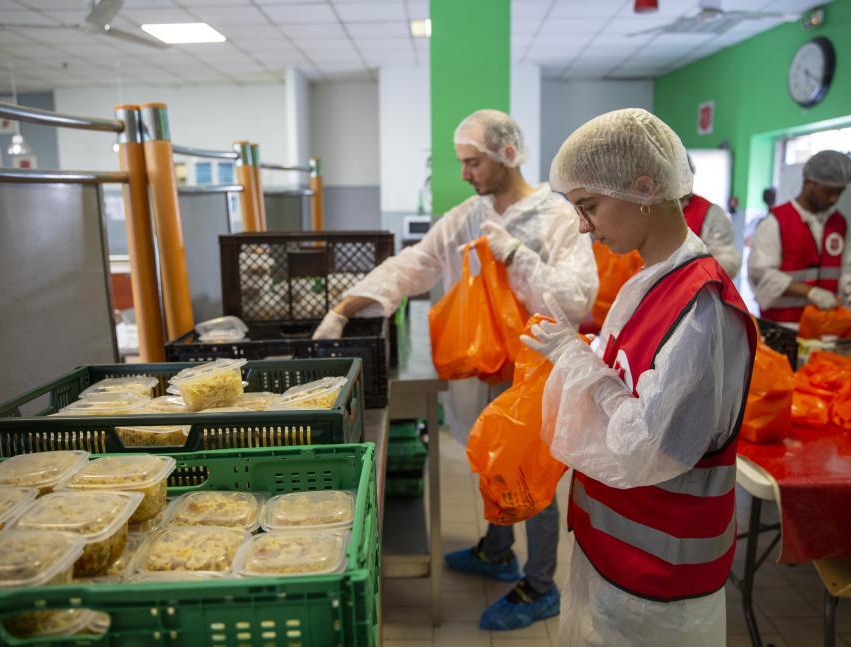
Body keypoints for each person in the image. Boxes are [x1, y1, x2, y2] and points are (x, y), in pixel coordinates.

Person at [312, 109, 598, 630]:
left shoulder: (557, 219)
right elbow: (416, 263)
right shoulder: (472, 213)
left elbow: (574, 300)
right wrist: (345, 307)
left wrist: (517, 258)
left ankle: (540, 586)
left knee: (526, 474)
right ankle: (496, 549)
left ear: (506, 156)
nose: (464, 173)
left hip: (533, 371)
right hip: (487, 367)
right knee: (491, 457)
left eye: (471, 162)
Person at [522, 108, 756, 645]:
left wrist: (576, 361)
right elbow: (627, 382)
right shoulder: (649, 280)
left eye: (590, 207)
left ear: (644, 187)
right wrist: (580, 358)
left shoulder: (701, 307)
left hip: (662, 579)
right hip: (616, 553)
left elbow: (649, 444)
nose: (583, 226)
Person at [748, 150, 851, 325]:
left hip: (825, 324)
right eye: (829, 191)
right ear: (809, 182)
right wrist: (810, 292)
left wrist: (849, 281)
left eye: (840, 192)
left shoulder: (839, 224)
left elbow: (848, 266)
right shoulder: (776, 222)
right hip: (783, 325)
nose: (834, 199)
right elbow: (761, 274)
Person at [680, 189, 741, 278]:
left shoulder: (710, 212)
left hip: (693, 288)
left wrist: (693, 275)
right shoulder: (654, 212)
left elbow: (728, 260)